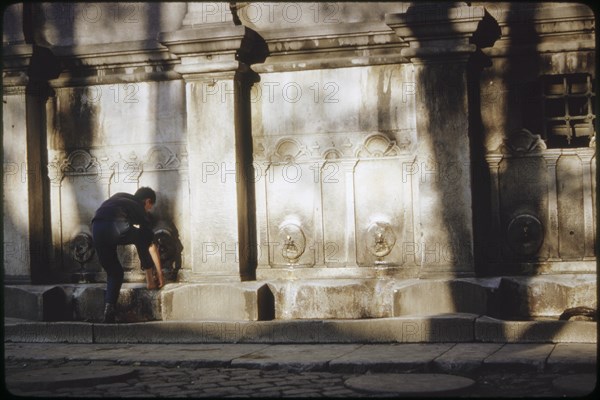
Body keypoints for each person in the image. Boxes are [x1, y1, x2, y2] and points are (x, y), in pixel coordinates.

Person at [91, 187, 165, 323]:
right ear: (147, 201)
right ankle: (150, 281)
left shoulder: (119, 196)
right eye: (150, 207)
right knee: (145, 235)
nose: (149, 210)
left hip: (96, 229)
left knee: (115, 272)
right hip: (115, 226)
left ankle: (109, 308)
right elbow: (151, 244)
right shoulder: (138, 207)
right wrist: (160, 274)